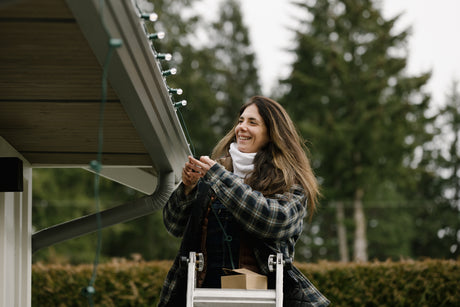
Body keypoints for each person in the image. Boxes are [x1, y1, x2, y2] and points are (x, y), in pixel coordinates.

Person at [158, 96, 330, 306]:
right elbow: (174, 226)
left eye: (252, 122)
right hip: (202, 298)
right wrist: (188, 187)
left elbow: (273, 221)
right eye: (240, 121)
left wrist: (219, 176)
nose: (242, 128)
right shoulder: (213, 172)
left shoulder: (289, 180)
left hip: (264, 300)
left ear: (271, 133)